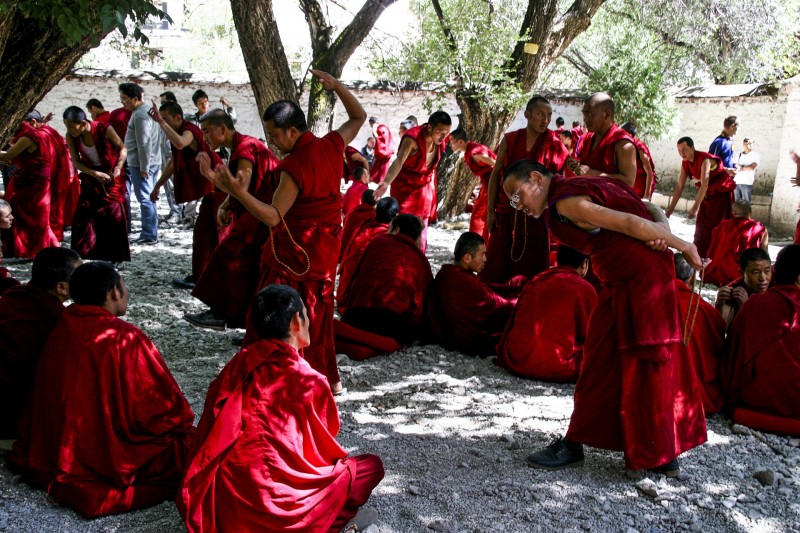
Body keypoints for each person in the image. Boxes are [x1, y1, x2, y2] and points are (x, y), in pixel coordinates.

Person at [504, 160, 707, 477]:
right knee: (613, 359)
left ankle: (655, 452)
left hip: (638, 281)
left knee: (636, 359)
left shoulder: (567, 202)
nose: (519, 207)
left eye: (517, 196)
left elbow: (628, 222)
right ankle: (627, 447)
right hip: (633, 278)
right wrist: (662, 232)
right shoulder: (588, 181)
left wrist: (682, 245)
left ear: (535, 178)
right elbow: (649, 208)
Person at [204, 70, 364, 395]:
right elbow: (358, 115)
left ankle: (278, 377)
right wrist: (337, 87)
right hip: (324, 251)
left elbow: (273, 218)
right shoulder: (333, 144)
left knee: (280, 313)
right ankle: (327, 379)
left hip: (294, 254)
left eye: (276, 135)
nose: (273, 142)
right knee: (316, 314)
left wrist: (236, 193)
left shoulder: (294, 167)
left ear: (292, 131)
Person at [178, 284, 383, 532]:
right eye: (306, 314)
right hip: (285, 507)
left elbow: (210, 430)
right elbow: (324, 444)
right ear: (297, 321)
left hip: (230, 508)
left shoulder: (236, 367)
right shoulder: (310, 380)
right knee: (369, 467)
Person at [7, 261, 194, 518]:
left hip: (56, 441)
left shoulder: (62, 325)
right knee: (187, 447)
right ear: (114, 293)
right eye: (123, 287)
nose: (126, 293)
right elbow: (164, 410)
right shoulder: (124, 336)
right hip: (102, 450)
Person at [187, 110, 278, 330]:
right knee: (248, 268)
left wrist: (210, 176)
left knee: (228, 254)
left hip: (264, 213)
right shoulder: (243, 145)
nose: (204, 138)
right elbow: (239, 191)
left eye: (207, 132)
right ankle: (243, 321)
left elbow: (241, 187)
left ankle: (221, 314)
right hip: (258, 210)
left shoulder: (245, 148)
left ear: (222, 129)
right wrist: (226, 205)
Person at [484, 96, 569, 284]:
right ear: (527, 115)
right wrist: (490, 210)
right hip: (506, 210)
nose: (545, 120)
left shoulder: (555, 145)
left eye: (549, 115)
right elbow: (495, 175)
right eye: (540, 114)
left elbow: (559, 182)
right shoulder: (511, 139)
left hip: (535, 216)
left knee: (532, 267)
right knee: (497, 262)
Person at [0, 247, 81, 438]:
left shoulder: (13, 297)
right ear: (61, 287)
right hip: (13, 414)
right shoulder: (56, 321)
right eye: (79, 277)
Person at [722, 244, 800, 436]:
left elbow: (732, 356)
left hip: (753, 401)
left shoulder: (754, 303)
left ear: (774, 271)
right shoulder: (747, 298)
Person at [496, 245, 597, 383]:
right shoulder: (585, 289)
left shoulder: (537, 279)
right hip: (558, 366)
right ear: (584, 264)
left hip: (519, 358)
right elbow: (594, 335)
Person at [149, 101, 221, 289]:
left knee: (207, 233)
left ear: (178, 118)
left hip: (217, 187)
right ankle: (206, 274)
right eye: (161, 118)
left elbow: (181, 142)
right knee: (207, 233)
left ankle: (203, 276)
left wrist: (160, 123)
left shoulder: (189, 130)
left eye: (166, 119)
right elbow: (174, 162)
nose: (162, 122)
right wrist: (157, 186)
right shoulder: (180, 134)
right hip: (212, 189)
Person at [339, 214, 432, 346]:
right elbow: (423, 303)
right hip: (393, 326)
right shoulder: (420, 260)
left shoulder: (378, 242)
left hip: (357, 317)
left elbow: (357, 277)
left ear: (397, 230)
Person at [428, 232, 517, 356]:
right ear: (467, 258)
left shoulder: (445, 273)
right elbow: (495, 307)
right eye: (482, 254)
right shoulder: (463, 282)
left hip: (450, 336)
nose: (486, 259)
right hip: (468, 339)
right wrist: (518, 303)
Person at [373, 111, 451, 251]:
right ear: (429, 127)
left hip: (424, 189)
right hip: (406, 187)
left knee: (422, 226)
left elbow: (431, 169)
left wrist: (432, 192)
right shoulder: (412, 139)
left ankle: (418, 256)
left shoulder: (440, 141)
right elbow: (399, 161)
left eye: (446, 132)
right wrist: (386, 182)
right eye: (440, 132)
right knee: (405, 226)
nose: (444, 136)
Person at [63, 106, 131, 264]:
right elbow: (76, 161)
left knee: (113, 217)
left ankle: (116, 257)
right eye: (67, 126)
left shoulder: (104, 129)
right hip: (91, 176)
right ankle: (82, 255)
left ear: (83, 122)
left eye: (72, 126)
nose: (70, 130)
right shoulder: (71, 136)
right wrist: (93, 174)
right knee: (83, 216)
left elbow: (122, 148)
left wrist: (118, 168)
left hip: (111, 176)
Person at [673, 253, 726, 414]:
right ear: (691, 279)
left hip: (659, 387)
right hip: (697, 391)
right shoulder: (704, 309)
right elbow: (718, 346)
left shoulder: (649, 301)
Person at [666, 136, 736, 257]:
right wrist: (670, 209)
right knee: (702, 228)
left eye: (684, 150)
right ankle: (701, 257)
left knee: (719, 228)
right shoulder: (685, 163)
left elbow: (704, 184)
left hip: (721, 195)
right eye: (679, 150)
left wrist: (695, 208)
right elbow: (679, 185)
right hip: (708, 195)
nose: (682, 153)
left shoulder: (705, 159)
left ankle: (718, 257)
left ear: (692, 147)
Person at [0, 119, 60, 258]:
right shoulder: (32, 134)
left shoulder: (27, 137)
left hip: (35, 181)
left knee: (26, 213)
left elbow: (9, 156)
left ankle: (29, 249)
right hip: (30, 177)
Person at [26, 110, 81, 242]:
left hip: (56, 174)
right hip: (63, 172)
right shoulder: (48, 131)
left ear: (33, 122)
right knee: (57, 209)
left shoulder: (40, 134)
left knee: (54, 210)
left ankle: (53, 240)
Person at [336, 197, 399, 305]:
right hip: (362, 302)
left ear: (375, 211)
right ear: (394, 217)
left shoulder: (364, 225)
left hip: (345, 292)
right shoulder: (387, 239)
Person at [120, 82, 161, 245]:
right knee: (148, 196)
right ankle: (150, 230)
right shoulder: (142, 112)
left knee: (145, 197)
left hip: (142, 163)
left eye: (124, 99)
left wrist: (144, 167)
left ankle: (149, 233)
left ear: (135, 98)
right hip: (148, 161)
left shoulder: (140, 115)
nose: (122, 102)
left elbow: (144, 143)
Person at [569, 93, 637, 188]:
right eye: (584, 114)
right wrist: (578, 167)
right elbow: (588, 168)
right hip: (588, 192)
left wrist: (592, 173)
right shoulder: (588, 138)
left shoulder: (622, 143)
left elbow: (629, 182)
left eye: (589, 114)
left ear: (607, 114)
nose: (585, 120)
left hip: (611, 198)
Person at [704, 199, 768, 287]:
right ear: (750, 212)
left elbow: (713, 249)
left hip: (722, 273)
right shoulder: (759, 229)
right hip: (745, 273)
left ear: (733, 213)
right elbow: (764, 254)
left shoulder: (723, 226)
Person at [449, 128, 497, 240]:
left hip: (493, 185)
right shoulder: (471, 149)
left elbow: (496, 164)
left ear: (460, 142)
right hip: (487, 185)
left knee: (478, 216)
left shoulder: (475, 153)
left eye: (452, 142)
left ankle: (476, 244)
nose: (450, 144)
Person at [715, 247, 772, 330]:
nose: (763, 278)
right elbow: (720, 329)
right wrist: (719, 304)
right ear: (742, 273)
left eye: (767, 271)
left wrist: (747, 305)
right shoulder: (734, 291)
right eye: (756, 272)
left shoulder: (777, 285)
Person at [108, 102, 134, 232]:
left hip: (122, 155)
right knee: (147, 195)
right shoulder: (143, 113)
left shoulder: (115, 114)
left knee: (126, 192)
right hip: (138, 155)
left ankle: (126, 225)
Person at [620, 122, 657, 199]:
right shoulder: (623, 146)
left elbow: (649, 172)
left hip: (644, 182)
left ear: (629, 135)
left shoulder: (639, 148)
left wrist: (647, 194)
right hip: (633, 180)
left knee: (640, 206)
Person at [340, 189, 377, 263]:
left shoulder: (352, 212)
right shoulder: (373, 216)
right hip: (357, 253)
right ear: (376, 201)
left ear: (361, 199)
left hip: (344, 250)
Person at [369, 116, 394, 184]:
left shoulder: (381, 128)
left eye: (370, 124)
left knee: (384, 168)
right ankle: (373, 179)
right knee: (377, 165)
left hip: (385, 151)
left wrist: (374, 131)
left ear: (372, 123)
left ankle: (381, 182)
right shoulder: (381, 127)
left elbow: (382, 139)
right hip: (383, 150)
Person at [734, 137, 759, 202]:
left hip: (747, 182)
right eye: (745, 144)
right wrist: (744, 167)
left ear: (752, 144)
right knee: (737, 204)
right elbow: (735, 165)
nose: (747, 145)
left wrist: (741, 167)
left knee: (746, 204)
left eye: (749, 143)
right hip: (736, 181)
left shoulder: (755, 155)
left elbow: (752, 167)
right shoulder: (738, 155)